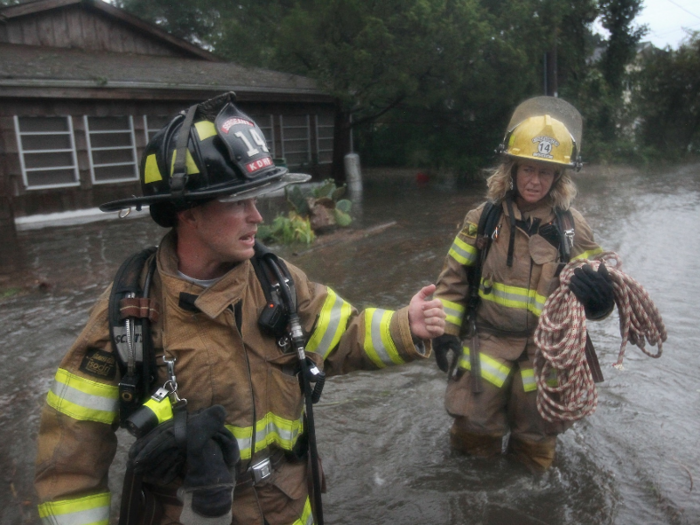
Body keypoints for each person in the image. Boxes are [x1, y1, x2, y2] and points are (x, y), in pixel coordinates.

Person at [34, 92, 445, 525]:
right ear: (185, 212)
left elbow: (346, 335)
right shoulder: (129, 313)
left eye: (257, 199)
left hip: (288, 505)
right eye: (237, 202)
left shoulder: (277, 281)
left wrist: (406, 325)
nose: (257, 217)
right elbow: (70, 468)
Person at [431, 96, 614, 471]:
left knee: (536, 439)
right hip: (488, 341)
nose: (535, 180)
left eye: (545, 173)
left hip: (546, 352)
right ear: (511, 169)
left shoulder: (572, 228)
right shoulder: (482, 219)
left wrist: (600, 301)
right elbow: (452, 281)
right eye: (528, 169)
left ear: (558, 178)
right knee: (472, 430)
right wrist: (445, 332)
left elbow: (598, 292)